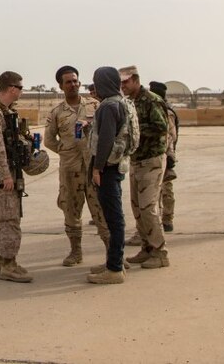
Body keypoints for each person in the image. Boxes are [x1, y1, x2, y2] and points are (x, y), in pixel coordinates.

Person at [44, 65, 106, 266]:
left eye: (75, 81)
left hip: (94, 169)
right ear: (61, 86)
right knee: (71, 211)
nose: (73, 85)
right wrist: (66, 151)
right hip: (70, 171)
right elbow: (49, 140)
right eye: (68, 82)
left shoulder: (95, 106)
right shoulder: (56, 112)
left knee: (102, 212)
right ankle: (75, 252)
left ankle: (114, 254)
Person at [0, 71, 33, 283]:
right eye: (20, 88)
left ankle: (0, 260)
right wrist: (5, 176)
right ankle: (10, 264)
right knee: (10, 217)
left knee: (4, 215)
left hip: (10, 170)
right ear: (12, 88)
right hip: (4, 174)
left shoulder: (6, 110)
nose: (21, 91)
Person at [86, 66, 134, 284]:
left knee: (114, 219)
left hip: (107, 168)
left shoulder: (108, 106)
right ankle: (113, 261)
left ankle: (115, 269)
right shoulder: (122, 102)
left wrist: (97, 168)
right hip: (117, 165)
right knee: (114, 217)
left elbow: (105, 139)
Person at [121, 66, 171, 269]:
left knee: (148, 208)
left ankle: (160, 252)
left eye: (126, 82)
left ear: (135, 80)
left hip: (151, 160)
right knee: (137, 208)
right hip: (136, 159)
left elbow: (162, 127)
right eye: (121, 82)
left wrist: (134, 131)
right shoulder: (129, 102)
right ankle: (147, 248)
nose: (123, 86)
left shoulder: (151, 100)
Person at [149, 81, 180, 233]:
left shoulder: (165, 111)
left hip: (164, 155)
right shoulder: (162, 108)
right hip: (164, 154)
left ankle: (166, 219)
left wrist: (169, 157)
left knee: (163, 189)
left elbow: (170, 136)